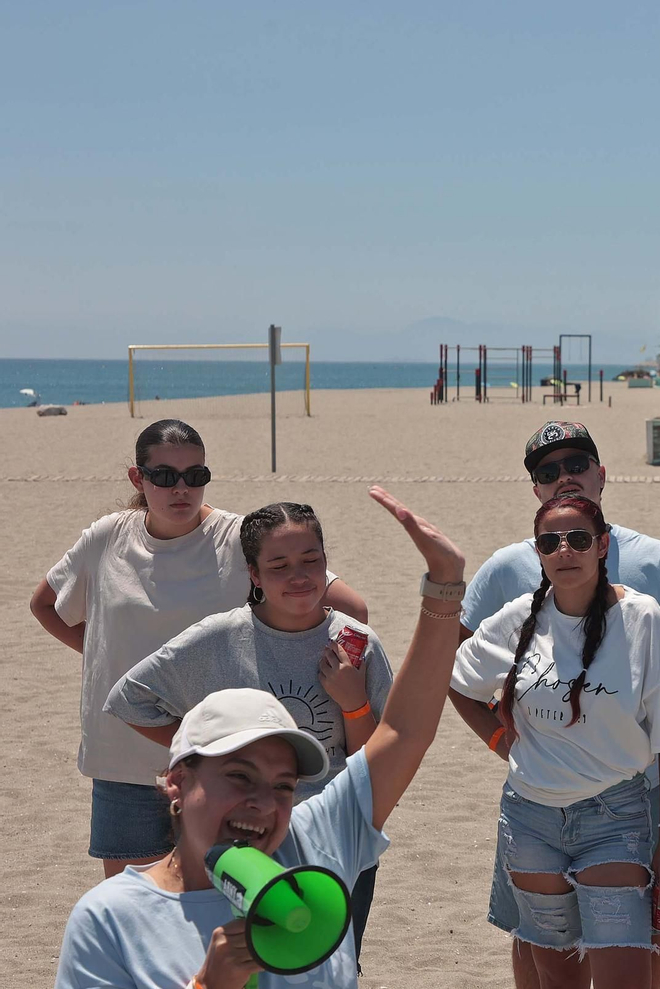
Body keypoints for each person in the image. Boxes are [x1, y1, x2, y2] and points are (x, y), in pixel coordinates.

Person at [55, 485, 466, 988]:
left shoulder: (316, 847)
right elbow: (126, 695)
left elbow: (402, 731)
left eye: (284, 784)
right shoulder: (112, 919)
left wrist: (444, 585)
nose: (263, 803)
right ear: (176, 782)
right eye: (238, 775)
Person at [28, 419, 367, 879]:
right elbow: (45, 603)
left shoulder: (235, 537)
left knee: (220, 912)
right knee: (136, 913)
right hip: (123, 755)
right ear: (138, 478)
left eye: (196, 475)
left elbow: (350, 607)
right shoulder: (107, 536)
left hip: (219, 764)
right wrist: (105, 656)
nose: (181, 488)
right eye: (165, 476)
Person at [447, 420, 660, 989]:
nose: (564, 550)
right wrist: (498, 736)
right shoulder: (510, 587)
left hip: (620, 806)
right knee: (543, 961)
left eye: (576, 465)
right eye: (547, 471)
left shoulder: (647, 589)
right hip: (530, 812)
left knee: (632, 954)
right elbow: (456, 668)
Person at [103, 501, 395, 959]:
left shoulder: (356, 642)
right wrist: (203, 755)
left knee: (330, 969)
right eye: (278, 565)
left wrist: (355, 704)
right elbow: (129, 698)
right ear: (254, 575)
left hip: (335, 842)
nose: (298, 575)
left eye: (311, 560)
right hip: (239, 844)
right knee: (237, 967)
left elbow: (377, 761)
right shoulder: (217, 639)